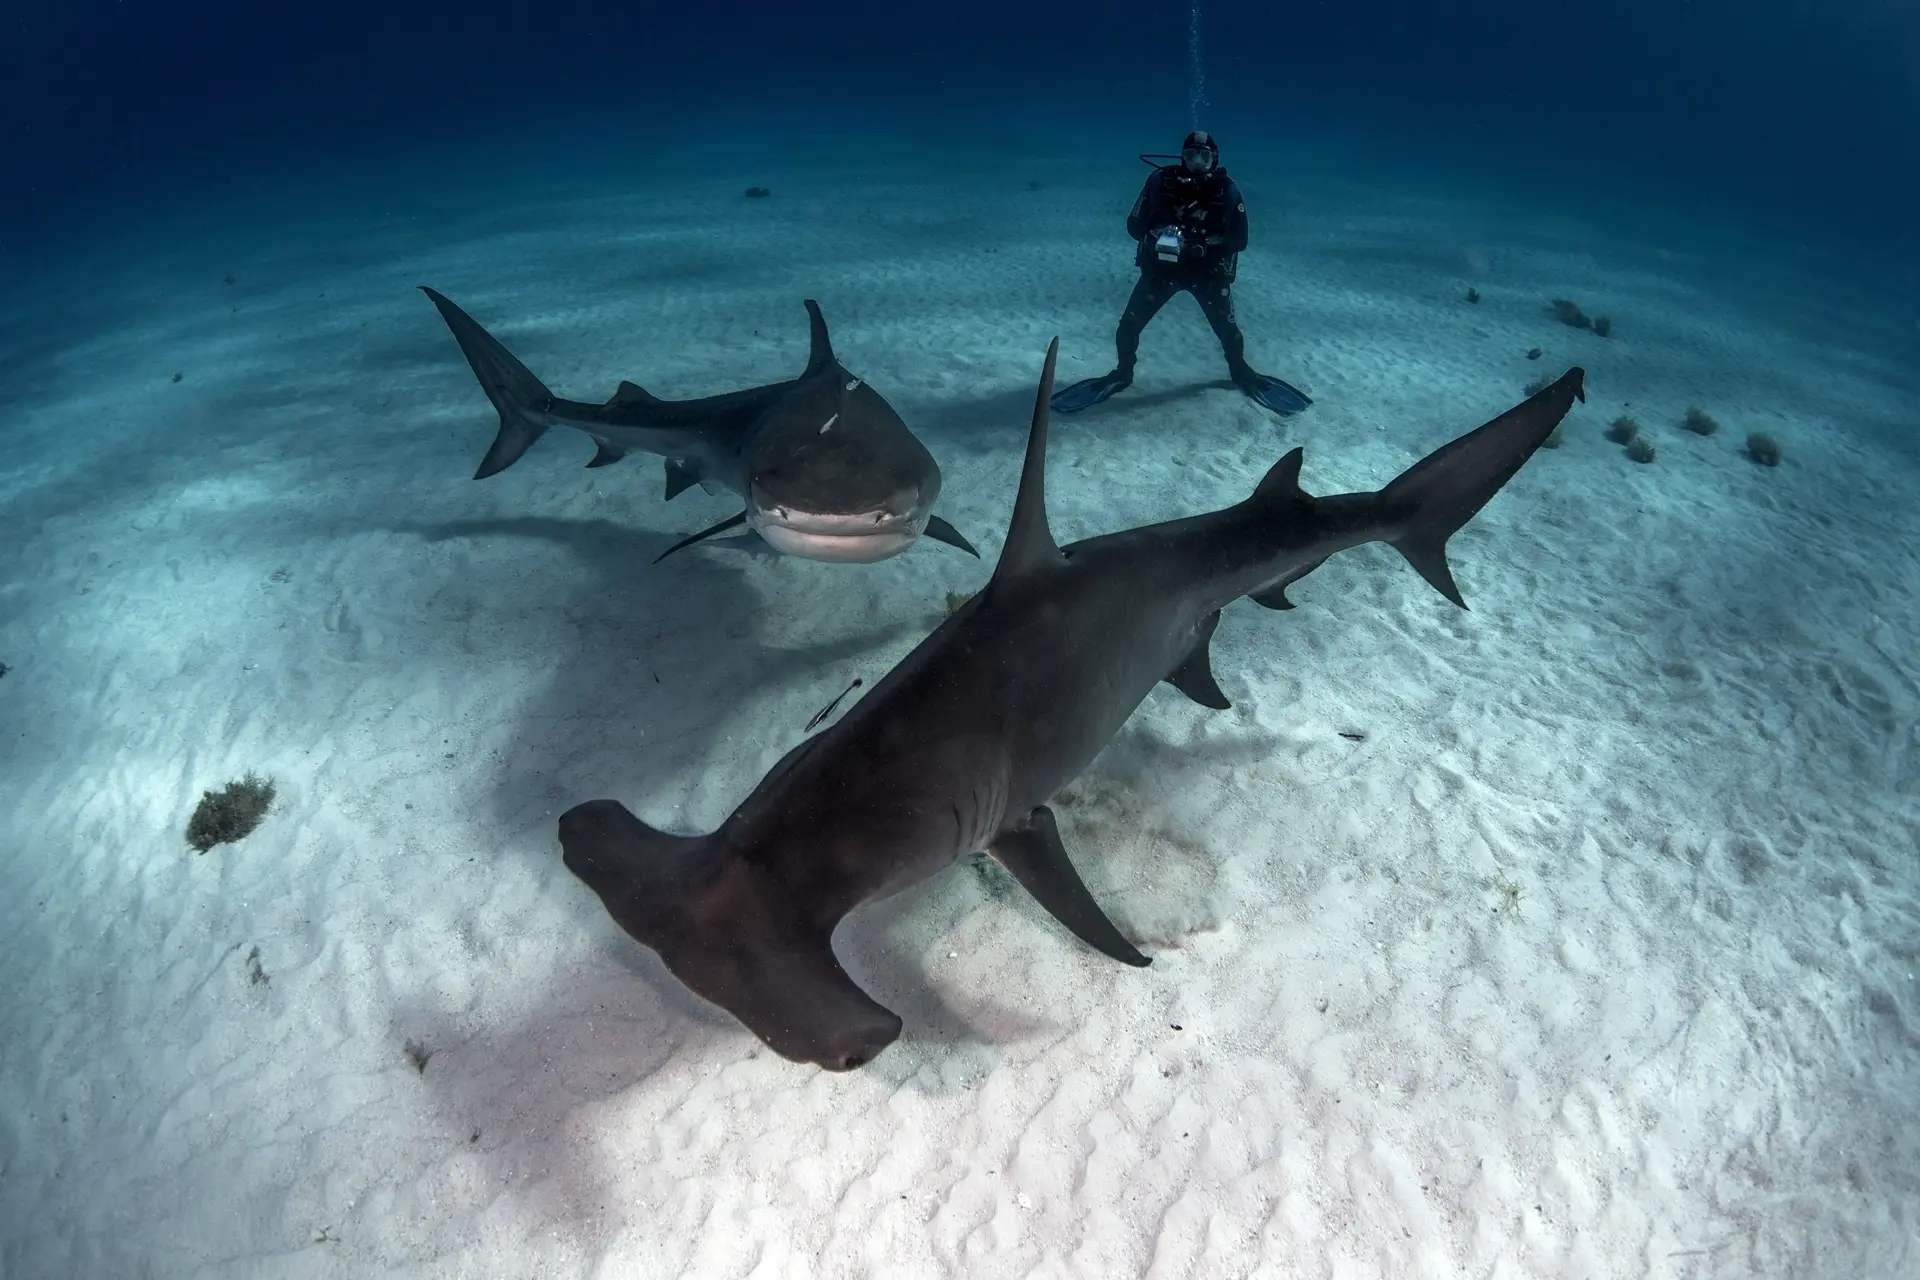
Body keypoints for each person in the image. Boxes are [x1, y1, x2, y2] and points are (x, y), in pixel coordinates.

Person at [1051, 131, 1311, 416]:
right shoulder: (1160, 182)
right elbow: (1133, 225)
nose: (1196, 162)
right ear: (1181, 156)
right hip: (1162, 270)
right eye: (1190, 155)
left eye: (1204, 156)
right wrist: (1154, 236)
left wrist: (1204, 243)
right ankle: (1122, 373)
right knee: (1129, 326)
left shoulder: (1226, 190)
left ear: (1215, 159)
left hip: (1208, 273)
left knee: (1227, 331)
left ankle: (1241, 371)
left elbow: (1240, 240)